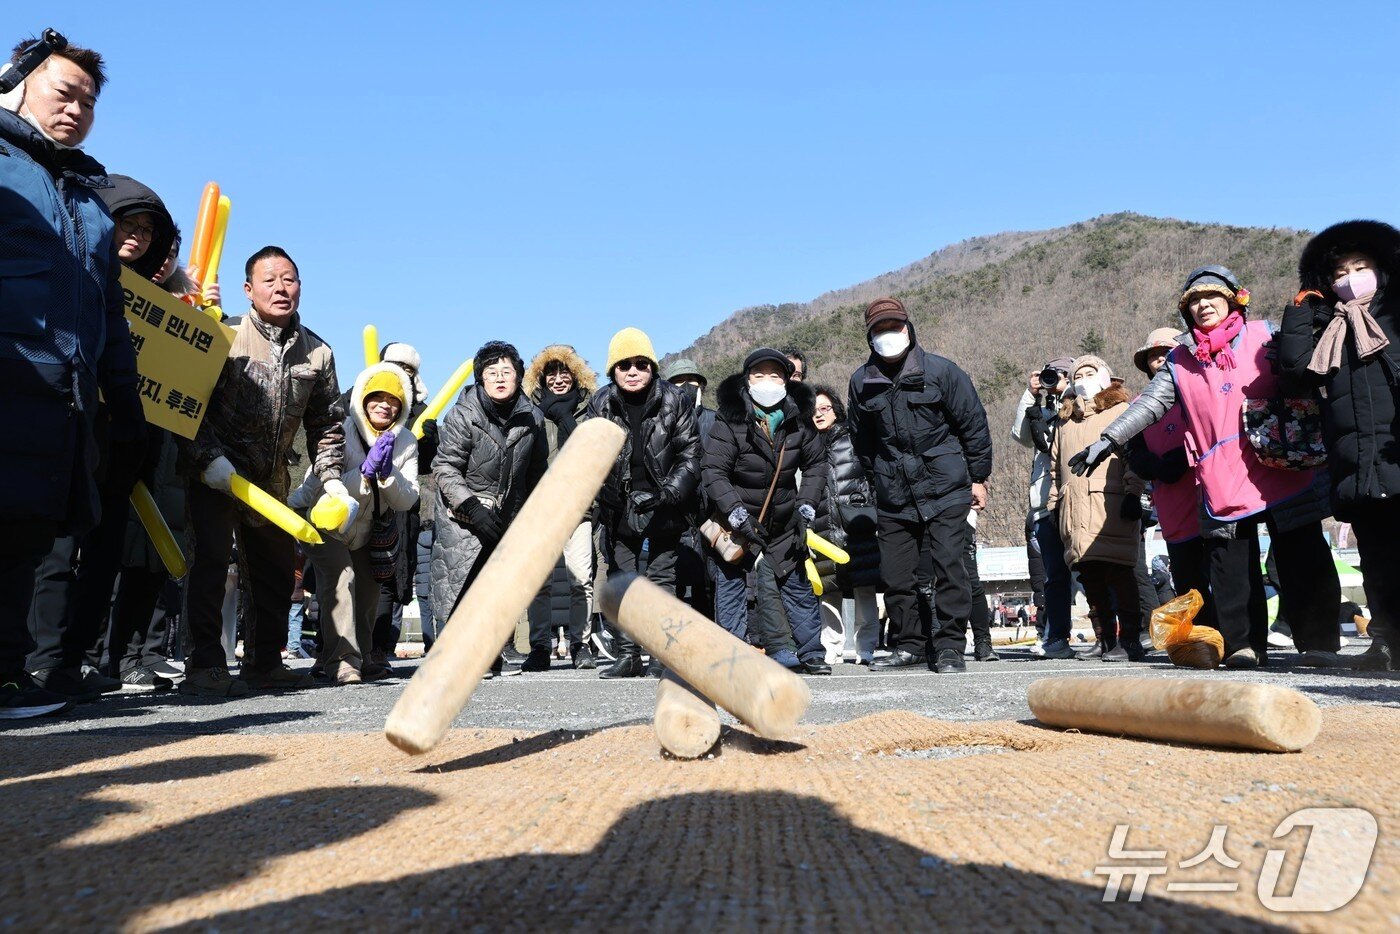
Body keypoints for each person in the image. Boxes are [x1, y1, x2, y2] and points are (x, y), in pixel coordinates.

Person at [1074, 266, 1341, 668]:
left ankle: (1319, 641)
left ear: (1233, 299)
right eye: (1193, 301)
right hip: (1222, 470)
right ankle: (1245, 645)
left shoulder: (1266, 333)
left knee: (1302, 552)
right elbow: (1148, 405)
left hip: (1282, 458)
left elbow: (1306, 362)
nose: (1202, 306)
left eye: (1211, 297)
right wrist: (1107, 439)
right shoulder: (1179, 362)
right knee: (1231, 565)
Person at [0, 38, 148, 718]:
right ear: (18, 83)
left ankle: (9, 676)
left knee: (29, 534)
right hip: (9, 376)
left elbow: (110, 314)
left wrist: (125, 401)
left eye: (89, 102)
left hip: (64, 399)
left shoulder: (90, 201)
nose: (77, 108)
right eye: (65, 92)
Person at [180, 247, 346, 696]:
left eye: (289, 279)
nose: (281, 288)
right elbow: (188, 404)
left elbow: (326, 424)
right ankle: (205, 663)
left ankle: (266, 661)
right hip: (216, 472)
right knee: (211, 565)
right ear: (248, 290)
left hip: (272, 481)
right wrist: (206, 458)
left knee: (273, 572)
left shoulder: (318, 353)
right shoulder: (222, 334)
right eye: (269, 280)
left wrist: (331, 479)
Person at [1278, 220, 1400, 671]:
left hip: (1395, 450)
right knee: (1376, 558)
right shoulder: (1329, 325)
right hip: (1354, 459)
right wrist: (1302, 312)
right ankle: (1386, 641)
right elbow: (1293, 371)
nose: (1349, 278)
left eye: (1361, 266)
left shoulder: (1396, 314)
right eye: (1338, 272)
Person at [849, 298, 993, 674]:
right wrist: (878, 476)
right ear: (870, 336)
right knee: (896, 575)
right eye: (880, 329)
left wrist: (978, 477)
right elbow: (861, 441)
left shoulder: (942, 372)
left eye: (893, 327)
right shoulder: (860, 382)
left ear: (908, 328)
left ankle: (949, 647)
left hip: (945, 486)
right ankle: (910, 645)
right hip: (893, 493)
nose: (888, 335)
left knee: (950, 567)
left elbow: (973, 425)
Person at [290, 363, 419, 684]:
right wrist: (363, 473)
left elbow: (408, 499)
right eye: (377, 397)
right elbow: (319, 484)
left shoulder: (406, 442)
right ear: (363, 398)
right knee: (341, 580)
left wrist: (388, 474)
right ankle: (342, 659)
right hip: (325, 522)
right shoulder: (340, 429)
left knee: (367, 595)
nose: (384, 405)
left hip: (368, 531)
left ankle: (356, 654)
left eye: (393, 400)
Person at [703, 349, 830, 674]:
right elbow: (714, 471)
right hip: (739, 517)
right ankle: (732, 659)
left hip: (785, 518)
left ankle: (812, 653)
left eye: (775, 375)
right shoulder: (730, 419)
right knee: (731, 583)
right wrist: (736, 515)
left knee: (796, 585)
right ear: (747, 380)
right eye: (759, 375)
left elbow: (816, 465)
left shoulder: (800, 419)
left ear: (787, 381)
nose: (767, 382)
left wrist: (805, 510)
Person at [587, 328, 701, 678]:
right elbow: (590, 455)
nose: (633, 371)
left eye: (641, 364)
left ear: (653, 366)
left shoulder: (675, 399)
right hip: (618, 505)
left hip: (664, 502)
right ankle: (627, 654)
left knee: (662, 579)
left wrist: (666, 493)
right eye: (624, 365)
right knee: (623, 579)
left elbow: (690, 454)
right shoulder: (600, 402)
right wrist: (606, 495)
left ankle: (661, 656)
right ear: (612, 371)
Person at [430, 341, 548, 676]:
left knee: (497, 588)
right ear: (480, 379)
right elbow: (445, 467)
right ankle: (453, 660)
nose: (499, 378)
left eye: (506, 372)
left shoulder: (533, 418)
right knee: (460, 586)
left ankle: (490, 654)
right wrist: (470, 505)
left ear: (518, 377)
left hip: (506, 516)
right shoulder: (463, 414)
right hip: (462, 517)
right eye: (491, 372)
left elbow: (537, 471)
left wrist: (535, 515)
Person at [1049, 356, 1147, 661]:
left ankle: (1131, 640)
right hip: (1075, 509)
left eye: (1091, 373)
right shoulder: (1064, 420)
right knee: (1090, 578)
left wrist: (1133, 493)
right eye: (1078, 374)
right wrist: (1055, 505)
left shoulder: (1121, 410)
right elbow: (1055, 469)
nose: (1084, 378)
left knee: (1120, 574)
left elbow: (1134, 456)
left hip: (1111, 503)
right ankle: (1105, 640)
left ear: (1106, 377)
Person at [1123, 328, 1212, 627]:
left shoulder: (1199, 387)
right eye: (1153, 355)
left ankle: (1235, 635)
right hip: (1171, 504)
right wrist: (1152, 465)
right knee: (1187, 575)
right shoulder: (1139, 406)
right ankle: (1200, 637)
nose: (1159, 359)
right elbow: (1132, 450)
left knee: (1218, 569)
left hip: (1208, 495)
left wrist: (1185, 457)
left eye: (1165, 352)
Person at [523, 345, 599, 670]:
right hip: (540, 507)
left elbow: (596, 451)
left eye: (563, 371)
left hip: (579, 505)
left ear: (574, 374)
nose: (557, 379)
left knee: (581, 578)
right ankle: (539, 646)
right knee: (539, 581)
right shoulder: (530, 410)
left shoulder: (589, 408)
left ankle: (580, 644)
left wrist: (567, 419)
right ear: (541, 377)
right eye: (550, 373)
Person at [1010, 356, 1076, 658]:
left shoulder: (1082, 403)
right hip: (1044, 504)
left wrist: (1072, 390)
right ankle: (1056, 637)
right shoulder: (1042, 409)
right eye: (1052, 375)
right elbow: (1022, 437)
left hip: (1076, 499)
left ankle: (1110, 636)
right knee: (1053, 577)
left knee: (1091, 571)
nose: (1054, 380)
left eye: (1062, 375)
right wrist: (1031, 395)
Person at [810, 386, 880, 664]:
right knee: (829, 588)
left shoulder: (853, 439)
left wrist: (871, 507)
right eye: (814, 411)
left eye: (824, 408)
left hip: (857, 522)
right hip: (822, 523)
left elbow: (872, 475)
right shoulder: (808, 443)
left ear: (836, 410)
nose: (819, 415)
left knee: (865, 587)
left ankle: (866, 646)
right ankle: (832, 645)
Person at [664, 359, 718, 621]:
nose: (685, 386)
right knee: (672, 577)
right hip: (674, 510)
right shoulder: (661, 423)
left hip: (710, 512)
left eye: (692, 381)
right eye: (677, 382)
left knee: (708, 580)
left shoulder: (715, 420)